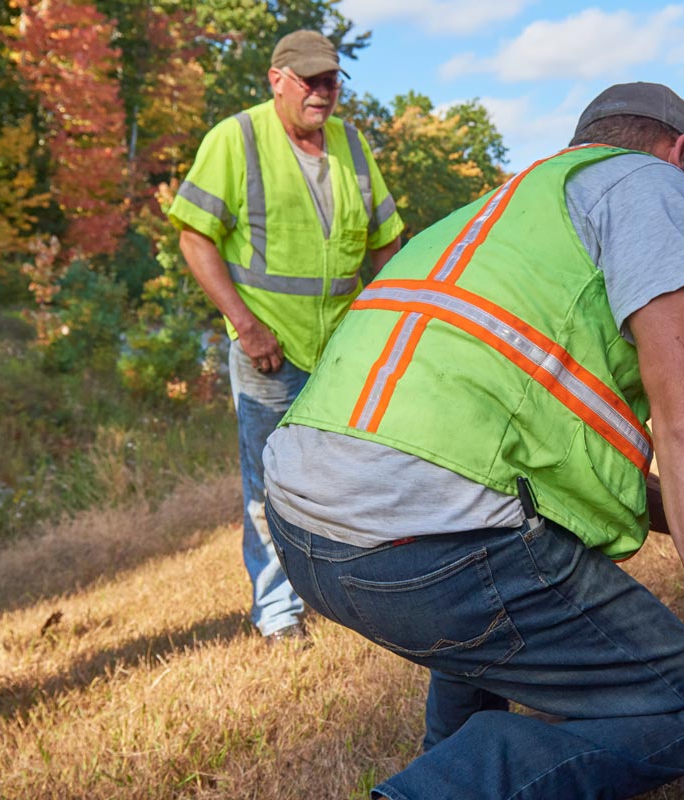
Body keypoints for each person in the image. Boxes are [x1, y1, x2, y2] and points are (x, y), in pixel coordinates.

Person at [261, 82, 684, 798]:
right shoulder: (649, 182)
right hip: (423, 546)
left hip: (305, 526)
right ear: (681, 156)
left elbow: (503, 443)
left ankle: (449, 755)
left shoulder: (502, 211)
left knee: (482, 580)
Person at [167, 30, 406, 644]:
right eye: (310, 80)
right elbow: (195, 237)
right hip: (268, 351)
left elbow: (386, 244)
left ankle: (354, 593)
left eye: (331, 81)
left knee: (353, 475)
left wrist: (387, 324)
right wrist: (246, 327)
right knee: (269, 484)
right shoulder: (236, 137)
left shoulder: (353, 146)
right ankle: (279, 613)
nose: (323, 92)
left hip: (345, 350)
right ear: (277, 79)